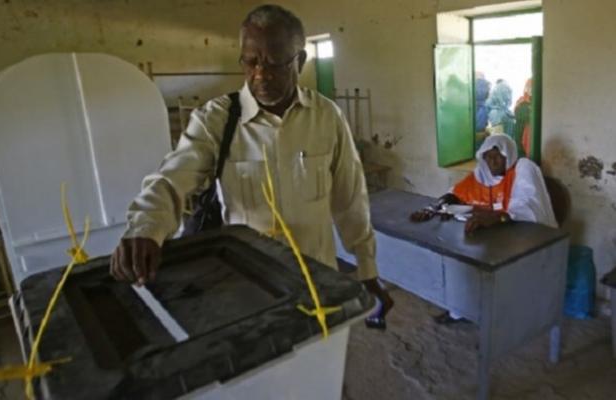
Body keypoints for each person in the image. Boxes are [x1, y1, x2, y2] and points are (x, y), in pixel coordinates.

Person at [110, 4, 393, 328]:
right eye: (251, 61)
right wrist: (145, 227)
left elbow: (351, 200)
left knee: (323, 371)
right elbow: (171, 180)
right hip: (249, 288)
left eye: (275, 63)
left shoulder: (327, 118)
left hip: (317, 283)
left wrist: (367, 270)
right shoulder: (215, 120)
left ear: (299, 61)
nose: (261, 74)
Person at [410, 133, 557, 324]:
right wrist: (432, 208)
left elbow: (529, 207)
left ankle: (501, 317)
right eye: (487, 157)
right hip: (498, 238)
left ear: (509, 155)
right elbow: (454, 194)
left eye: (497, 156)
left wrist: (496, 217)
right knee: (459, 257)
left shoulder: (523, 169)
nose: (492, 162)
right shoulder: (481, 175)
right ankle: (460, 310)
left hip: (527, 238)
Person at [514, 78, 533, 158]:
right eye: (530, 87)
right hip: (523, 138)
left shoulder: (523, 102)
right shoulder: (523, 104)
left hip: (524, 139)